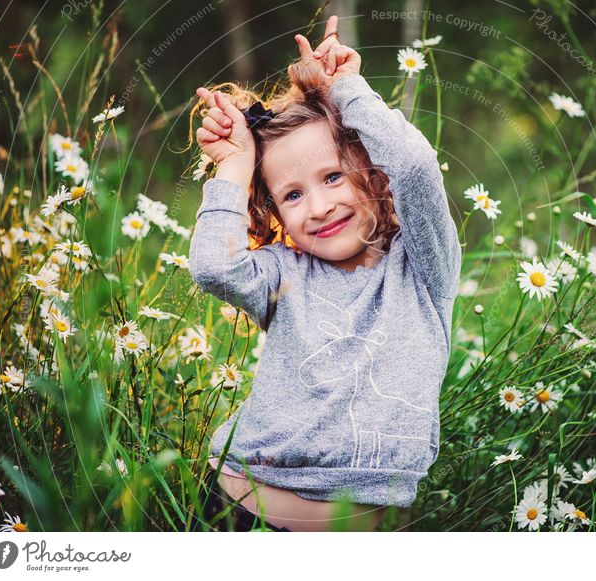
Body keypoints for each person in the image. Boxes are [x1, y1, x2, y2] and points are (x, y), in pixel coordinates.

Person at [188, 15, 461, 532]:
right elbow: (213, 265)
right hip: (237, 511)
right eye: (292, 194)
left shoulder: (423, 267)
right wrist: (234, 164)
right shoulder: (283, 272)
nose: (318, 205)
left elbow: (417, 166)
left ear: (373, 170)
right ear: (273, 211)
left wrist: (347, 91)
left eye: (333, 176)